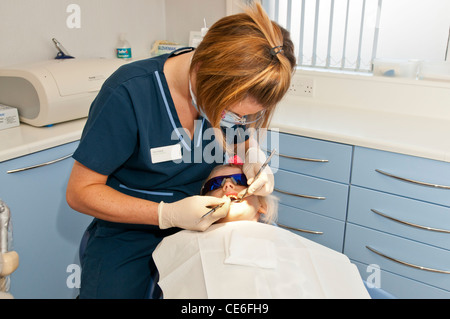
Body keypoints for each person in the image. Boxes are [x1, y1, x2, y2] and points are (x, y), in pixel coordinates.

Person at [66, 3, 296, 299]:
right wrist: (168, 214)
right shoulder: (129, 93)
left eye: (243, 115)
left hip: (210, 221)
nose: (232, 120)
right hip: (131, 227)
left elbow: (239, 136)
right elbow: (80, 192)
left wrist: (252, 157)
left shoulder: (228, 92)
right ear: (202, 72)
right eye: (228, 111)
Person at [153, 164, 370, 299]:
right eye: (216, 184)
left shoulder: (293, 245)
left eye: (239, 181)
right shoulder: (184, 243)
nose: (228, 187)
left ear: (262, 206)